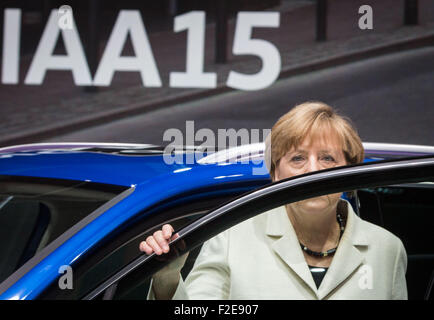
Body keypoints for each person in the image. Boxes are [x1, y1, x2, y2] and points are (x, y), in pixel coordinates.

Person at [139, 101, 408, 299]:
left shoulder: (387, 248)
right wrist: (167, 277)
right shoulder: (232, 238)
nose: (313, 171)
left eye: (327, 158)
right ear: (275, 173)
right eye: (297, 158)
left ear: (350, 171)